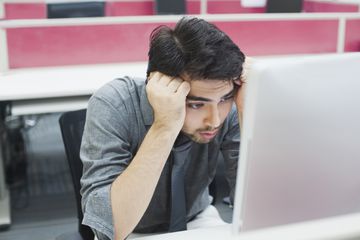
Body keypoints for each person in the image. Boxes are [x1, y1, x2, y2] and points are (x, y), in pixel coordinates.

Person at [80, 16, 247, 240]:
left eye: (225, 99)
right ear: (158, 86)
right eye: (196, 104)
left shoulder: (229, 107)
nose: (215, 120)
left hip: (198, 219)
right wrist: (164, 126)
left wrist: (248, 110)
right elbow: (112, 229)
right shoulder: (113, 104)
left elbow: (259, 212)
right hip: (133, 229)